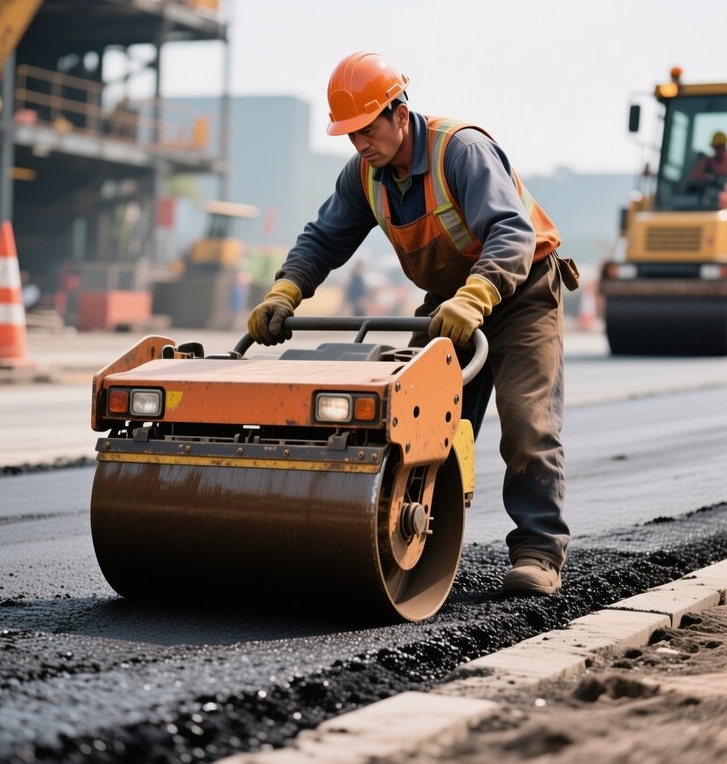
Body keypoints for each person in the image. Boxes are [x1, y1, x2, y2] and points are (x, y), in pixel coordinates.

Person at [247, 52, 580, 596]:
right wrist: (287, 289)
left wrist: (477, 296)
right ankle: (414, 535)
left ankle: (539, 552)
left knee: (527, 422)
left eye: (367, 128)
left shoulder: (462, 151)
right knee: (416, 416)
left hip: (520, 294)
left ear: (400, 113)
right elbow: (325, 237)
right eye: (350, 134)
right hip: (451, 304)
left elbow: (512, 233)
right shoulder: (365, 174)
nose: (360, 143)